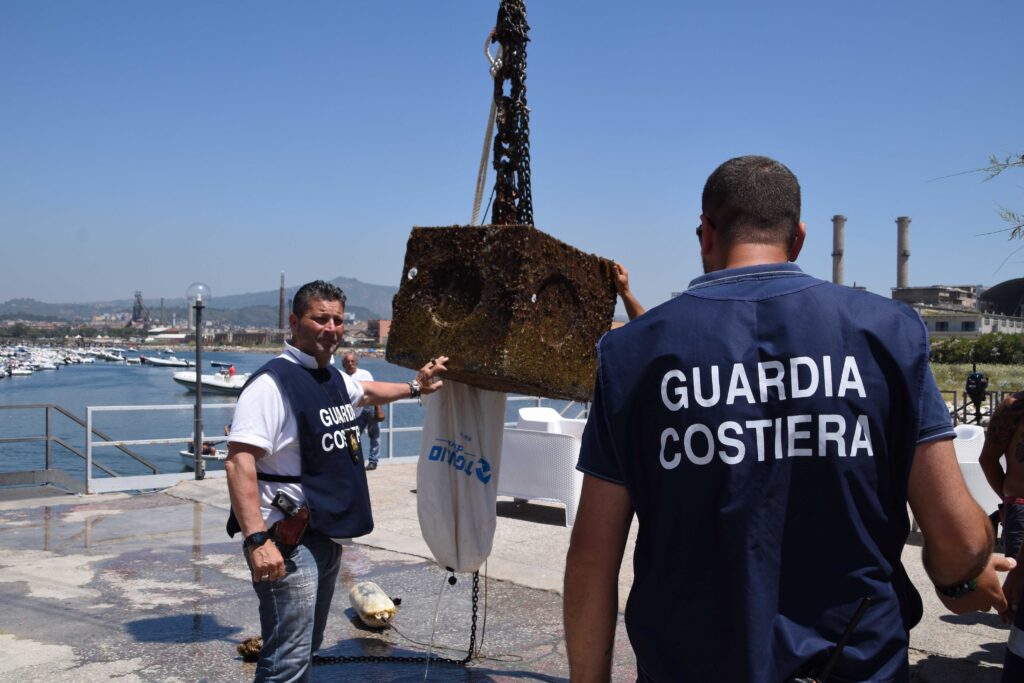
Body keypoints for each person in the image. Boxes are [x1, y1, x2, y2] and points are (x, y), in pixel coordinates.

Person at [563, 156, 1014, 683]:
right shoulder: (887, 333)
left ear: (706, 233)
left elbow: (592, 555)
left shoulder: (630, 353)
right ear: (798, 238)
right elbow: (960, 541)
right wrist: (961, 579)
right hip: (850, 663)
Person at [225, 280, 447, 682]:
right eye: (320, 318)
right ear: (295, 322)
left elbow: (366, 392)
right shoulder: (272, 384)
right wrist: (257, 541)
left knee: (306, 645)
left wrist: (416, 386)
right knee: (287, 657)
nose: (331, 328)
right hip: (286, 540)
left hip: (325, 534)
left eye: (338, 320)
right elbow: (239, 463)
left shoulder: (330, 377)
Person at [978, 392, 1024, 679]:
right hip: (1021, 509)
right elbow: (988, 459)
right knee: (1019, 597)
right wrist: (1011, 500)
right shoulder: (1014, 406)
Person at [341, 351, 384, 470]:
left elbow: (375, 391)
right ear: (344, 364)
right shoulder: (342, 376)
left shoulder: (365, 374)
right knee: (353, 437)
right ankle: (355, 461)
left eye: (352, 361)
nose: (350, 363)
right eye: (347, 362)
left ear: (356, 362)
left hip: (369, 407)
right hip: (353, 410)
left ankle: (373, 461)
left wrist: (379, 409)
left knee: (374, 435)